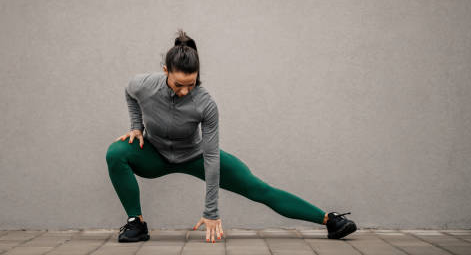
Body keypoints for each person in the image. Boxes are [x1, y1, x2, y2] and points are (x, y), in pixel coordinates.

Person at [106, 29, 357, 243]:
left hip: (194, 155)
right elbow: (129, 92)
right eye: (178, 84)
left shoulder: (206, 103)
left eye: (190, 85)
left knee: (258, 188)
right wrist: (136, 127)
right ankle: (135, 224)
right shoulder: (144, 84)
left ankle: (330, 220)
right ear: (165, 71)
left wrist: (211, 211)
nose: (184, 91)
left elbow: (212, 156)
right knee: (116, 152)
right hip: (155, 154)